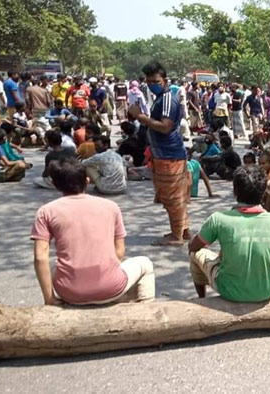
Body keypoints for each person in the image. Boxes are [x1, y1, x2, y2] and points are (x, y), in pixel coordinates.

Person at [31, 157, 155, 305]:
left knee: (51, 264)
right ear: (87, 181)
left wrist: (49, 299)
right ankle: (146, 309)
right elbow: (120, 252)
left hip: (70, 293)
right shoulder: (110, 206)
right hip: (111, 288)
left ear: (54, 184)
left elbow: (40, 257)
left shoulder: (46, 211)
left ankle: (53, 301)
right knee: (145, 263)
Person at [188, 166, 270, 302]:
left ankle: (202, 298)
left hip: (229, 291)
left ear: (235, 192)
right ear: (264, 193)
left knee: (195, 254)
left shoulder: (218, 218)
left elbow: (193, 247)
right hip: (266, 290)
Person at [129, 62, 189, 246]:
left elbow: (165, 126)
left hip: (169, 154)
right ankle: (184, 230)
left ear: (165, 80)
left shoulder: (167, 99)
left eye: (155, 80)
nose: (152, 84)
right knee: (176, 195)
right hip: (165, 153)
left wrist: (141, 117)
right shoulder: (160, 97)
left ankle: (176, 235)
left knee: (172, 197)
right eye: (148, 81)